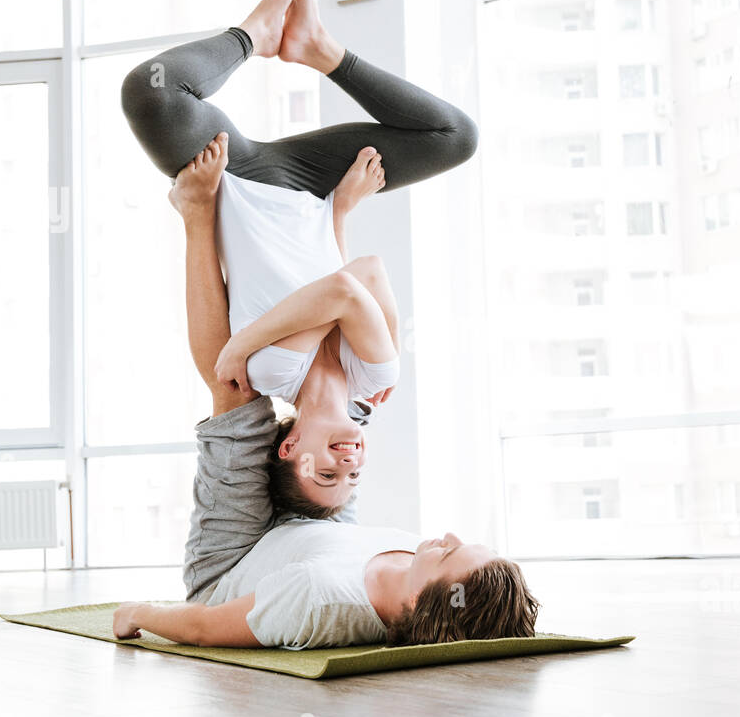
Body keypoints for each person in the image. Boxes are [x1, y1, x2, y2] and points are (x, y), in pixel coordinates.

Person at [111, 134, 538, 649]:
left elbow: (203, 627)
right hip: (323, 518)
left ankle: (197, 211)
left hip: (236, 565)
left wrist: (136, 612)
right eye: (462, 543)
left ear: (417, 601)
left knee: (235, 388)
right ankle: (333, 217)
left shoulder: (320, 601)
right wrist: (337, 219)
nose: (447, 538)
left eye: (449, 554)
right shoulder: (416, 560)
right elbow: (348, 293)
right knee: (349, 405)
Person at [121, 0, 477, 518]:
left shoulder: (264, 375)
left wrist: (202, 211)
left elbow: (341, 293)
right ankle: (318, 48)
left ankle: (252, 35)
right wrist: (338, 213)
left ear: (288, 449)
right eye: (354, 475)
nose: (348, 461)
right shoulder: (374, 375)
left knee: (151, 91)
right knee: (454, 137)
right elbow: (358, 276)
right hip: (316, 187)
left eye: (327, 472)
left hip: (231, 178)